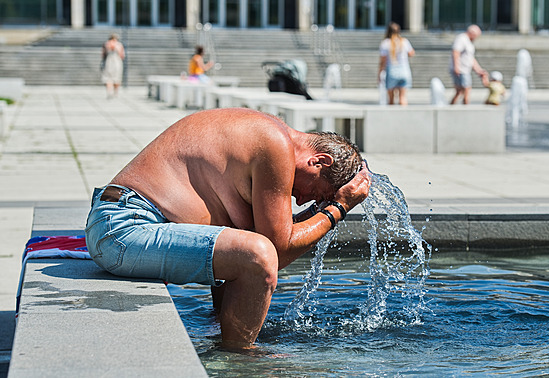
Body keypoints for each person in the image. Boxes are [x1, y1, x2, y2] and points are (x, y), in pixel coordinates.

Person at [85, 108, 371, 350]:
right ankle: (238, 363)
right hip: (125, 230)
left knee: (247, 248)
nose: (301, 200)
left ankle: (224, 342)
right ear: (319, 162)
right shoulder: (275, 144)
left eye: (315, 201)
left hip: (116, 225)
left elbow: (261, 234)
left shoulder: (267, 134)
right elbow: (277, 249)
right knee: (257, 257)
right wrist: (339, 208)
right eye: (316, 193)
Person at [378, 22, 415, 106]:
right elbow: (411, 53)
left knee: (391, 99)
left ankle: (391, 118)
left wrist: (379, 74)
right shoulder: (404, 41)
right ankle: (405, 117)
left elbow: (382, 61)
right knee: (403, 97)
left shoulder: (385, 43)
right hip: (404, 71)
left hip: (392, 71)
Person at [449, 25, 486, 105]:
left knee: (459, 91)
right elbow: (456, 52)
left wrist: (479, 70)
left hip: (465, 69)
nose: (476, 38)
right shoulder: (461, 38)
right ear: (472, 33)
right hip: (461, 69)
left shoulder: (469, 42)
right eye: (476, 36)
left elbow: (471, 58)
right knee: (466, 88)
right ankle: (466, 105)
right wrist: (456, 66)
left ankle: (453, 105)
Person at [101, 33, 126, 98]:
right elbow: (122, 55)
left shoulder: (107, 44)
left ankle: (109, 92)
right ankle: (116, 92)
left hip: (108, 61)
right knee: (117, 77)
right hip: (117, 61)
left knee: (108, 77)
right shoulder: (119, 44)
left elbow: (103, 54)